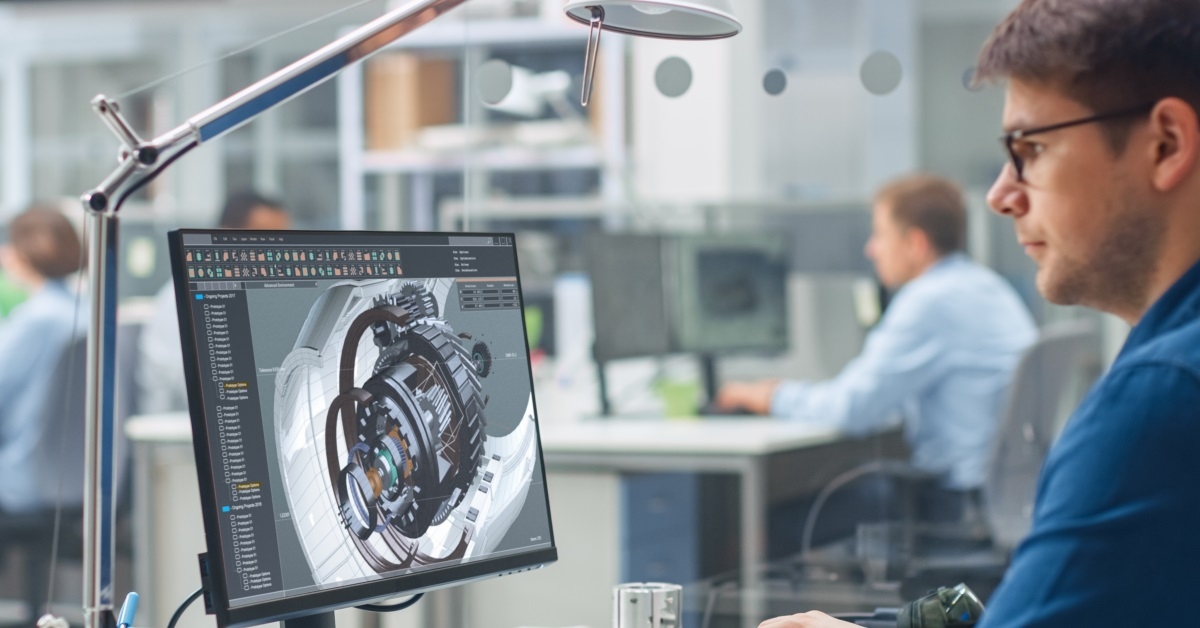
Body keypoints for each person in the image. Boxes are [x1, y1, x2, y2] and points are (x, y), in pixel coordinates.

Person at [758, 0, 1200, 626]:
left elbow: (854, 405)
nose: (999, 194)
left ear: (1165, 144)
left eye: (1032, 149)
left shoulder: (1162, 400)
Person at [717, 174, 1036, 516]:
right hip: (1005, 495)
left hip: (955, 502)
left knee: (771, 519)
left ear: (915, 243)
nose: (872, 249)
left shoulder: (928, 301)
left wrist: (768, 395)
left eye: (881, 235)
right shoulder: (988, 287)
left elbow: (852, 409)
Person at [137, 191, 290, 415]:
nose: (277, 253)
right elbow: (198, 390)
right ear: (225, 236)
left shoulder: (259, 297)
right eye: (266, 238)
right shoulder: (182, 298)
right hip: (181, 433)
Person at [0, 206, 84, 513]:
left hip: (24, 478)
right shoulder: (87, 311)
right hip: (81, 473)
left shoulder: (37, 321)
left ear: (27, 252)